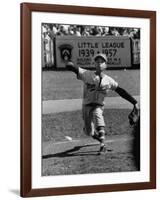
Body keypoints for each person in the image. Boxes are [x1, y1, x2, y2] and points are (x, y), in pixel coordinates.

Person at [65, 53, 139, 155]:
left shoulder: (109, 80)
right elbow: (72, 67)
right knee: (88, 132)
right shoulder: (86, 74)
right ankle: (97, 136)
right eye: (97, 62)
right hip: (86, 106)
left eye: (102, 62)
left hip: (98, 105)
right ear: (94, 64)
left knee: (97, 115)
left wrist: (134, 102)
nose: (99, 64)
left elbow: (121, 91)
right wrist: (69, 64)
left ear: (105, 65)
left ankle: (103, 145)